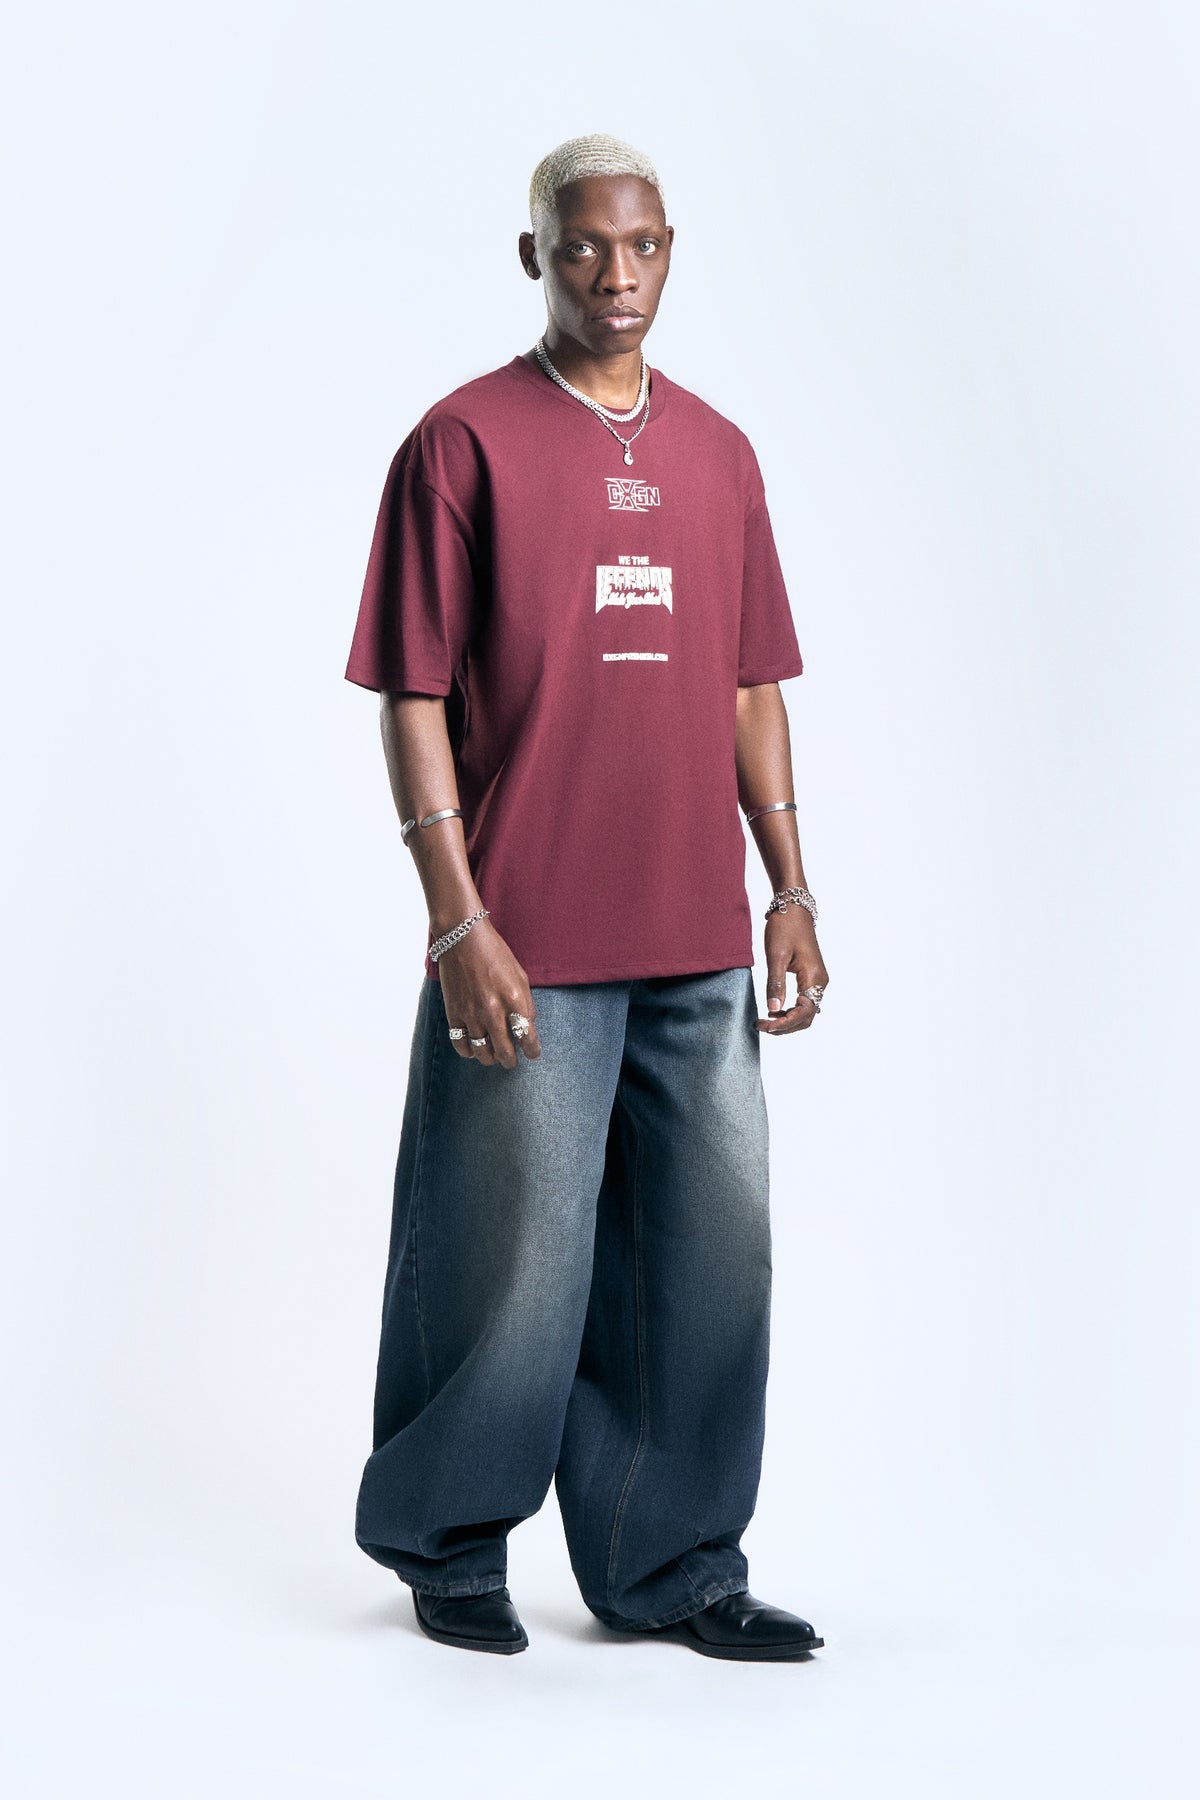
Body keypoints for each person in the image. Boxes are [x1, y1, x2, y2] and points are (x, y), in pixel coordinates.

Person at [344, 133, 830, 1662]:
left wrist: (791, 888)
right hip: (528, 937)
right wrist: (456, 918)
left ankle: (670, 1562)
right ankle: (450, 1543)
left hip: (695, 937)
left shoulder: (721, 452)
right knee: (507, 1261)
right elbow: (413, 694)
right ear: (535, 257)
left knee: (707, 1266)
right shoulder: (462, 445)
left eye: (642, 246)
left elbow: (750, 683)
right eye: (582, 248)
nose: (616, 275)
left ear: (671, 249)